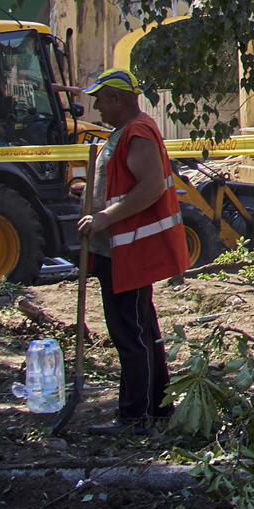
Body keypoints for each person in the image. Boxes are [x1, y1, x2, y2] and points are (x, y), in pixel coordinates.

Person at [77, 68, 191, 434]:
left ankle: (133, 417)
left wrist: (102, 217)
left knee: (130, 333)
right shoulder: (127, 131)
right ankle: (157, 408)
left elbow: (151, 186)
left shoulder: (137, 132)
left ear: (117, 99)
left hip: (126, 252)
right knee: (143, 328)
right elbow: (122, 181)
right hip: (119, 250)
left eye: (99, 98)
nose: (95, 106)